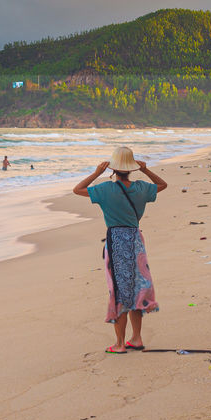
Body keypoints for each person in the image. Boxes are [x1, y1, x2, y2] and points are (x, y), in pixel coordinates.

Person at [73, 146, 168, 354]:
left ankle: (119, 343)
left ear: (113, 169)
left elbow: (77, 189)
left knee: (119, 290)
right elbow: (162, 184)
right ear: (132, 168)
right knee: (136, 287)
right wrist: (146, 170)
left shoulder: (106, 189)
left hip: (116, 241)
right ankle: (137, 338)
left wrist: (97, 173)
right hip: (136, 241)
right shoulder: (142, 188)